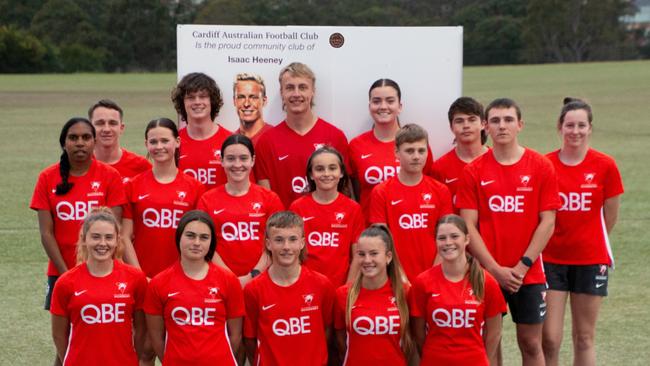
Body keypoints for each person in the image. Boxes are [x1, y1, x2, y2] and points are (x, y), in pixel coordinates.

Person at [457, 98, 561, 366]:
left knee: (530, 343)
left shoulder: (540, 166)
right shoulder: (473, 171)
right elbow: (468, 226)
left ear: (520, 125)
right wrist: (494, 270)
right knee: (487, 343)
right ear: (485, 127)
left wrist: (523, 266)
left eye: (508, 120)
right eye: (495, 121)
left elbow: (548, 222)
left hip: (529, 273)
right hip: (487, 274)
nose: (502, 126)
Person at [542, 98, 624, 366]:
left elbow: (610, 215)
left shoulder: (605, 165)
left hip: (590, 261)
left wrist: (589, 240)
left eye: (581, 125)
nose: (575, 131)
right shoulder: (546, 164)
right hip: (551, 261)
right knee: (550, 339)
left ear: (590, 128)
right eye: (569, 125)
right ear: (559, 127)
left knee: (584, 337)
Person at [30, 117, 126, 312]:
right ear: (64, 143)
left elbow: (115, 231)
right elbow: (46, 234)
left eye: (86, 137)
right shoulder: (47, 177)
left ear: (94, 142)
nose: (80, 142)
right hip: (61, 270)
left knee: (100, 325)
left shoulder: (110, 176)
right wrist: (67, 275)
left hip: (102, 270)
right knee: (63, 335)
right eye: (73, 137)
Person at [144, 210, 244, 365]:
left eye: (204, 237)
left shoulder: (228, 280)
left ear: (211, 242)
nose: (197, 242)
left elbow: (235, 335)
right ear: (179, 237)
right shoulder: (159, 283)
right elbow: (157, 337)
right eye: (190, 235)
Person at [50, 208, 147, 366]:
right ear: (84, 239)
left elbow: (141, 329)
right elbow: (59, 335)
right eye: (95, 237)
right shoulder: (66, 282)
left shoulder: (135, 279)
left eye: (109, 237)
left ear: (117, 240)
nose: (102, 243)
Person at [409, 214, 506, 365]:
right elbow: (418, 334)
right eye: (442, 238)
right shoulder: (422, 282)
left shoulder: (486, 281)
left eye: (454, 236)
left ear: (467, 239)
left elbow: (494, 332)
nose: (448, 243)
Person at [243, 211, 335, 366]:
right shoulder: (253, 289)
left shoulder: (322, 285)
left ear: (302, 242)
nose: (286, 247)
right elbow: (250, 340)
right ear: (268, 243)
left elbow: (326, 332)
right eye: (279, 240)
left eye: (292, 239)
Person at [254, 62, 350, 207]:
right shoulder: (267, 142)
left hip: (325, 227)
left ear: (313, 92)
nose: (296, 94)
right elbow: (266, 199)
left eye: (303, 87)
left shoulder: (335, 137)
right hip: (284, 227)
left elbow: (344, 193)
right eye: (290, 87)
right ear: (282, 92)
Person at [369, 123, 453, 281]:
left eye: (421, 151)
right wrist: (399, 276)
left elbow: (447, 238)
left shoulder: (441, 190)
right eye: (409, 151)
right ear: (396, 153)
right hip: (396, 278)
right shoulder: (381, 192)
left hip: (434, 277)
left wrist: (432, 276)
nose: (416, 156)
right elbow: (380, 242)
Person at [121, 118, 204, 279]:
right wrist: (139, 275)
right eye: (153, 142)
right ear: (146, 144)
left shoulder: (195, 188)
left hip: (183, 277)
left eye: (165, 141)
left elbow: (198, 237)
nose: (159, 147)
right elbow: (124, 236)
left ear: (177, 142)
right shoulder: (132, 186)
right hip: (143, 277)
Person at [197, 134, 283, 287]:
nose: (237, 164)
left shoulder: (270, 199)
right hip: (219, 282)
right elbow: (204, 243)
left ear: (253, 161)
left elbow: (278, 241)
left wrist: (254, 274)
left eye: (243, 158)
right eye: (230, 159)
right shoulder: (207, 200)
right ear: (221, 161)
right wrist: (230, 278)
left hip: (262, 280)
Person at [349, 79, 434, 217]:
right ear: (369, 106)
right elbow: (355, 191)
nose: (383, 106)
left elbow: (427, 185)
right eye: (376, 101)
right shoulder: (356, 145)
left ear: (399, 106)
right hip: (371, 231)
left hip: (409, 225)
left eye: (390, 101)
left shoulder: (417, 145)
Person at [334, 225, 412, 365]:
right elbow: (341, 344)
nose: (367, 260)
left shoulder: (405, 292)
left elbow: (413, 341)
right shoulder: (343, 294)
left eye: (374, 253)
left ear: (388, 257)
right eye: (361, 254)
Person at [289, 146, 364, 287]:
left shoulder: (353, 208)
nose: (326, 173)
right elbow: (293, 253)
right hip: (306, 286)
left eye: (332, 168)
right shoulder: (297, 207)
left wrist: (348, 287)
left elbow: (358, 254)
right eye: (319, 169)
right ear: (311, 174)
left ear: (341, 172)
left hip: (340, 286)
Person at [172, 72, 232, 189]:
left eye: (203, 96)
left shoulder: (231, 141)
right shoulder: (173, 143)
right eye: (191, 97)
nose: (197, 102)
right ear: (182, 103)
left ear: (212, 101)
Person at [433, 97, 489, 213]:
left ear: (483, 124)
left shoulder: (499, 160)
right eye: (459, 121)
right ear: (451, 127)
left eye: (472, 119)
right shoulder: (439, 168)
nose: (466, 125)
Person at [89, 99, 151, 183]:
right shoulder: (79, 166)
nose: (106, 129)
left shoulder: (141, 167)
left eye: (112, 123)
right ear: (89, 128)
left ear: (121, 128)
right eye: (100, 123)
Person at [233, 73, 273, 145]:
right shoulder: (230, 141)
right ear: (234, 101)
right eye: (241, 97)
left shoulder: (275, 137)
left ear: (264, 101)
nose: (246, 104)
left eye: (253, 97)